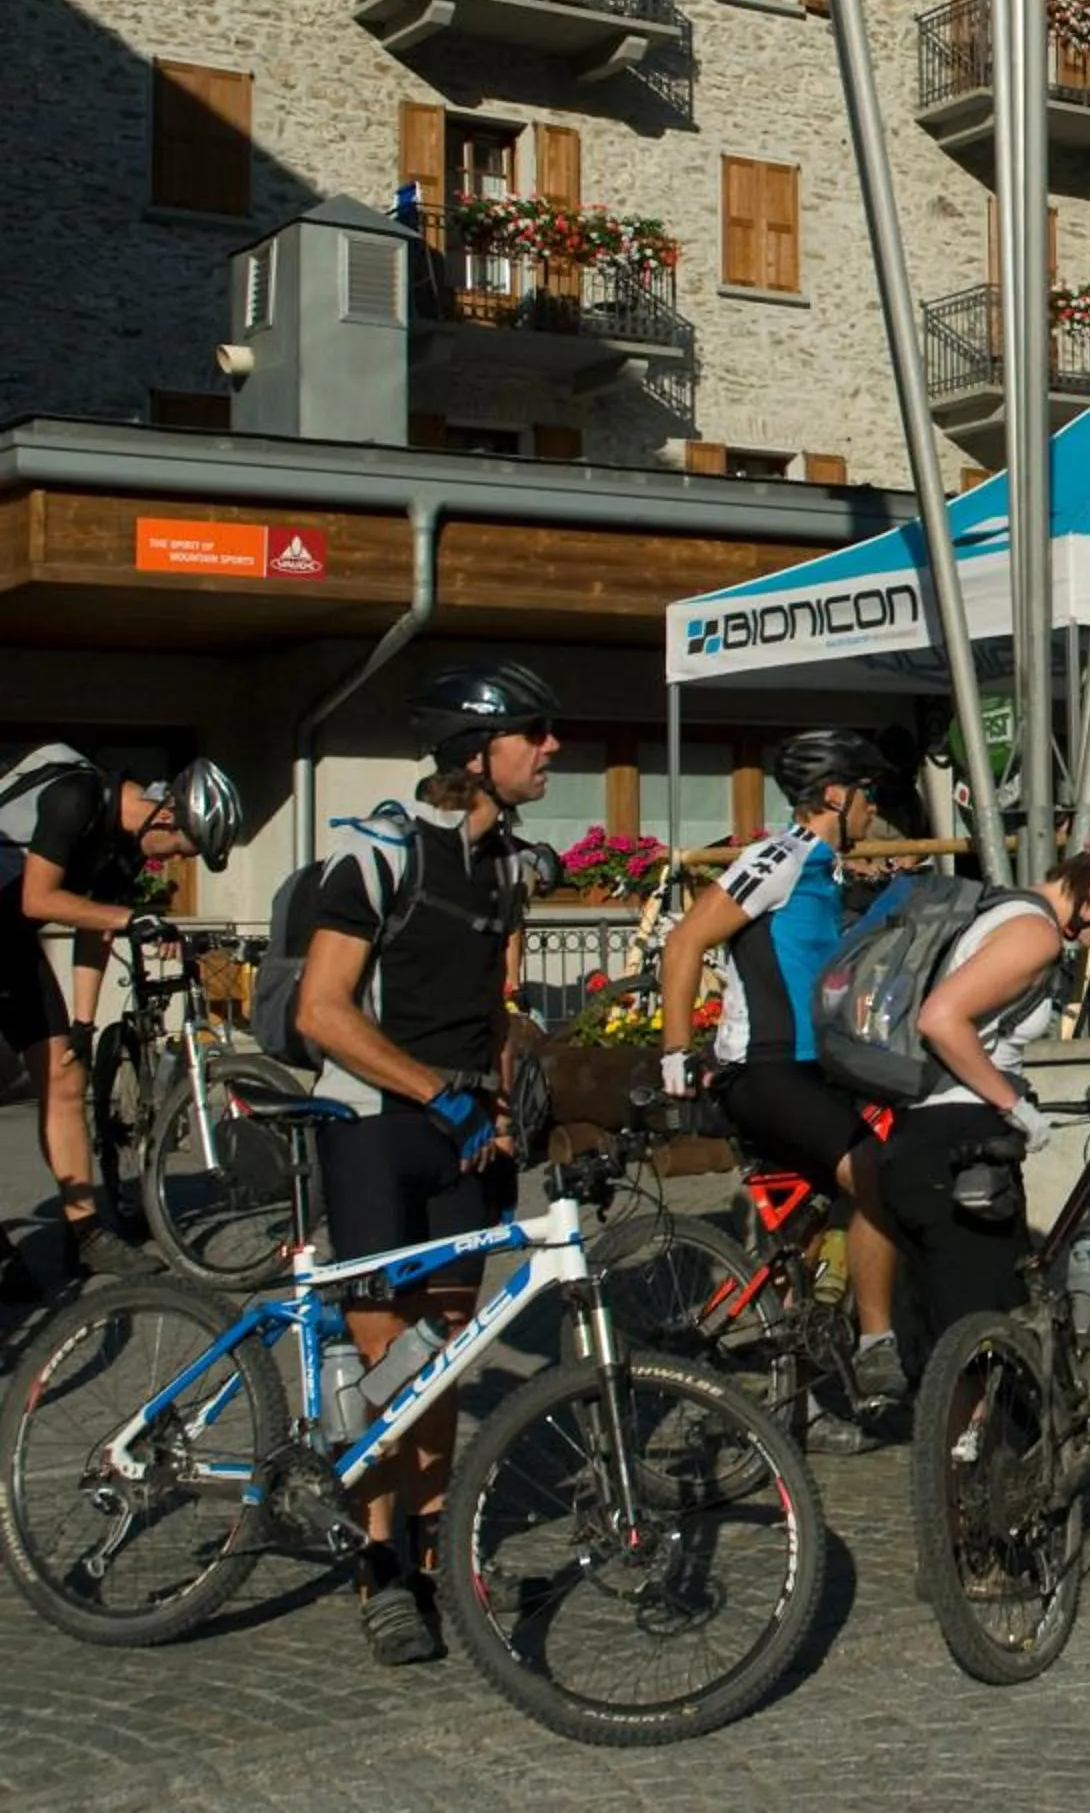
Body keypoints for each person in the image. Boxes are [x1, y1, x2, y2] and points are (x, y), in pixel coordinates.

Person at [294, 661, 558, 1666]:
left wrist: (503, 1099)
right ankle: (377, 1560)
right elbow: (323, 1012)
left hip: (468, 1133)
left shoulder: (506, 868)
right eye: (532, 732)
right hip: (375, 1125)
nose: (552, 748)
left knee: (447, 1350)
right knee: (388, 1357)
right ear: (475, 753)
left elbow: (491, 1004)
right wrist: (433, 1093)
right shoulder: (377, 854)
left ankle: (437, 1543)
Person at [659, 729, 908, 1426]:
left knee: (800, 1236)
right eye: (867, 792)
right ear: (834, 795)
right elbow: (684, 941)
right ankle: (878, 1342)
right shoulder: (777, 857)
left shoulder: (828, 872)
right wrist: (676, 1054)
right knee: (871, 1170)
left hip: (811, 1069)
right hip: (763, 1072)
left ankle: (789, 1410)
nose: (874, 808)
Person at [883, 814, 1090, 1353]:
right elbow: (940, 1019)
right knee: (989, 1350)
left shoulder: (1008, 910)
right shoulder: (1034, 933)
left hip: (932, 1139)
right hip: (958, 1140)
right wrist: (1011, 1103)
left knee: (966, 1348)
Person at [0, 750, 242, 1294]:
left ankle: (85, 1235)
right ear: (166, 815)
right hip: (15, 920)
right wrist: (133, 916)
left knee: (66, 1079)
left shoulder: (125, 850)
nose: (172, 862)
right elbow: (39, 899)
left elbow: (97, 929)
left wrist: (84, 1025)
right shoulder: (74, 798)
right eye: (180, 849)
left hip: (10, 944)